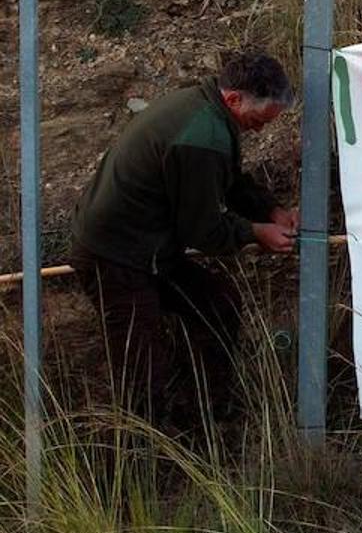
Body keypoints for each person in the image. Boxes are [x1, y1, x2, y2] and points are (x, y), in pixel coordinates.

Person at [69, 49, 298, 426]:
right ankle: (145, 456)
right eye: (258, 121)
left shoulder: (207, 110)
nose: (260, 130)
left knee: (218, 305)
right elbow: (203, 230)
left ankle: (208, 417)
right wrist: (256, 233)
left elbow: (228, 180)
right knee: (141, 367)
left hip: (152, 247)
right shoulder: (201, 135)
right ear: (235, 98)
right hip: (115, 256)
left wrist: (270, 210)